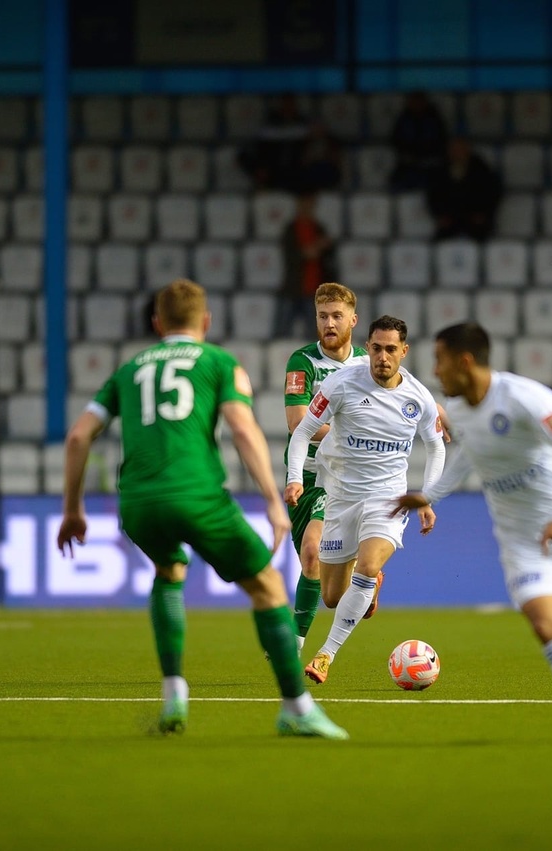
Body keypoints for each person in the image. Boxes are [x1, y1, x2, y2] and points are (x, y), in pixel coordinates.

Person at [56, 278, 347, 740]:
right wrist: (272, 501)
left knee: (168, 571)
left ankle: (174, 691)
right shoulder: (218, 362)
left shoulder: (129, 369)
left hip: (137, 502)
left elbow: (77, 437)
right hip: (196, 495)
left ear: (157, 323)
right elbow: (243, 430)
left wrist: (72, 510)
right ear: (206, 322)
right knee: (268, 588)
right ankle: (296, 708)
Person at [390, 322, 552, 749]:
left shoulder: (524, 398)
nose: (435, 371)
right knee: (545, 624)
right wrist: (429, 494)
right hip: (521, 540)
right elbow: (468, 454)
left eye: (440, 360)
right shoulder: (459, 410)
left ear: (464, 362)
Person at [285, 315, 446, 685]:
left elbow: (436, 447)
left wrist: (427, 498)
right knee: (331, 596)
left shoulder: (418, 397)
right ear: (368, 347)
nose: (382, 357)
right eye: (376, 348)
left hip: (387, 498)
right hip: (340, 497)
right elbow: (303, 432)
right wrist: (294, 478)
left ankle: (325, 655)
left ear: (404, 351)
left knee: (368, 566)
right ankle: (368, 584)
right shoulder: (342, 384)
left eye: (391, 349)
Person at [281, 283, 369, 651]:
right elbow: (297, 422)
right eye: (322, 316)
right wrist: (352, 436)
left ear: (353, 320)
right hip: (307, 474)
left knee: (313, 552)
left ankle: (294, 643)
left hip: (344, 477)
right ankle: (365, 575)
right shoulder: (302, 362)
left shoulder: (368, 363)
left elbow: (405, 397)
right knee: (316, 568)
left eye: (336, 316)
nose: (329, 323)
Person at [275, 192, 335, 338]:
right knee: (282, 334)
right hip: (293, 288)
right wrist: (314, 248)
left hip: (315, 291)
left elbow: (328, 253)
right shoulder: (291, 229)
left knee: (314, 336)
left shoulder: (318, 228)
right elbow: (294, 255)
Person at [426, 137, 504, 242]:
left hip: (474, 217)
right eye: (453, 150)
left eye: (460, 149)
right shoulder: (440, 169)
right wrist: (440, 215)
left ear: (467, 150)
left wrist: (484, 213)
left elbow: (492, 192)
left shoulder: (481, 168)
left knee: (482, 238)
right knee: (437, 242)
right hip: (450, 218)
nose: (457, 153)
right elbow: (433, 194)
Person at [237, 93, 309, 191]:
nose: (288, 108)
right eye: (285, 104)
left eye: (291, 104)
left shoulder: (303, 122)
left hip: (296, 169)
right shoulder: (270, 122)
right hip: (273, 169)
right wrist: (261, 166)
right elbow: (261, 147)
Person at [389, 91, 448, 191]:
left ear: (425, 103)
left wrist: (429, 156)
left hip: (431, 163)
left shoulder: (434, 119)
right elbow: (396, 141)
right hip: (409, 164)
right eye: (414, 102)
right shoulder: (403, 119)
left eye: (419, 102)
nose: (417, 105)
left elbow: (442, 141)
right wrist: (408, 156)